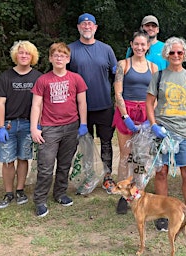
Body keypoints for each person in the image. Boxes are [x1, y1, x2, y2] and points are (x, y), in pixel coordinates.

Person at [145, 36, 186, 230]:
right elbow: (149, 102)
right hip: (162, 131)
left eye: (180, 52)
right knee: (161, 173)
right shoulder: (159, 76)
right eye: (172, 52)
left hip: (184, 131)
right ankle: (162, 213)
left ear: (185, 54)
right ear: (166, 54)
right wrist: (153, 125)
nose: (176, 55)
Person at [30, 42, 88, 217]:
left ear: (68, 59)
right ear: (50, 58)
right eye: (55, 55)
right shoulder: (43, 80)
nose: (59, 58)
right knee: (46, 166)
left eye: (62, 55)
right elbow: (36, 105)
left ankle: (60, 193)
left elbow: (82, 102)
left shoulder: (76, 78)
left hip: (71, 127)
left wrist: (83, 124)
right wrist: (34, 127)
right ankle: (40, 200)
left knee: (64, 165)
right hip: (50, 128)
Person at [68, 13, 118, 193]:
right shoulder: (70, 50)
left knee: (106, 142)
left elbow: (115, 76)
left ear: (96, 27)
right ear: (78, 27)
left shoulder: (106, 49)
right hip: (79, 109)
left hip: (104, 105)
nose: (87, 26)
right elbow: (63, 77)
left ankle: (107, 177)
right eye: (83, 24)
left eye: (90, 24)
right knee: (84, 145)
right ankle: (88, 176)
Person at [113, 31, 158, 214]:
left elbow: (155, 95)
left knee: (142, 156)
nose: (140, 47)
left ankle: (138, 192)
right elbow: (118, 93)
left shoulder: (153, 67)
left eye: (143, 44)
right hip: (127, 111)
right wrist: (126, 117)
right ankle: (123, 196)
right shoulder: (123, 64)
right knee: (126, 155)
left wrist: (150, 117)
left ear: (148, 46)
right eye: (136, 44)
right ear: (132, 45)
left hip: (145, 112)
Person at [0, 40, 42, 209]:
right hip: (9, 125)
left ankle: (20, 189)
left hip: (29, 125)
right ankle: (8, 193)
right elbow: (0, 103)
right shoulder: (6, 77)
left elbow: (41, 104)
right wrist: (0, 127)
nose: (24, 56)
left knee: (23, 158)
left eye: (27, 53)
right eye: (21, 52)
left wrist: (38, 125)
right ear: (16, 55)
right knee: (8, 160)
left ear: (32, 57)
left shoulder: (38, 77)